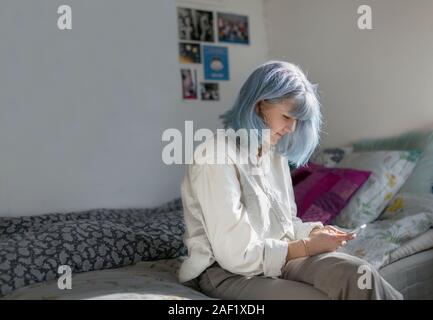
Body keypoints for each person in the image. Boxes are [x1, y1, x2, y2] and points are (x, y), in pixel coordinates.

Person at [178, 61, 403, 300]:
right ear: (258, 106)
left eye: (297, 120)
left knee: (360, 274)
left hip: (279, 257)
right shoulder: (215, 156)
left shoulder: (273, 155)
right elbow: (236, 255)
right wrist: (306, 247)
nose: (291, 128)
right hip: (227, 272)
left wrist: (315, 232)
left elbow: (284, 223)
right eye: (287, 116)